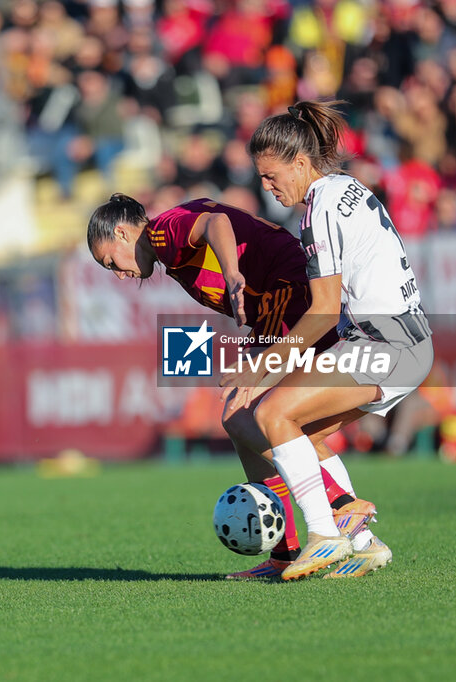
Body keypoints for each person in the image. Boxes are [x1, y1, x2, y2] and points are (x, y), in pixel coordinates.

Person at [86, 193, 379, 579]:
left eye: (111, 262)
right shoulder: (169, 243)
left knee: (243, 414)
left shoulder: (161, 232)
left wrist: (232, 273)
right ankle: (351, 545)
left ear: (122, 233)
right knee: (277, 428)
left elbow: (215, 223)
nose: (119, 274)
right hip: (283, 296)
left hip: (287, 292)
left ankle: (341, 506)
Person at [220, 99, 434, 580]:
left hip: (389, 346)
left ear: (301, 162)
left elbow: (322, 311)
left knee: (273, 413)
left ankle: (323, 538)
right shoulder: (344, 189)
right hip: (398, 343)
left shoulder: (320, 207)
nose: (266, 186)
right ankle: (363, 542)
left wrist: (265, 366)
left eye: (272, 175)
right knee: (303, 436)